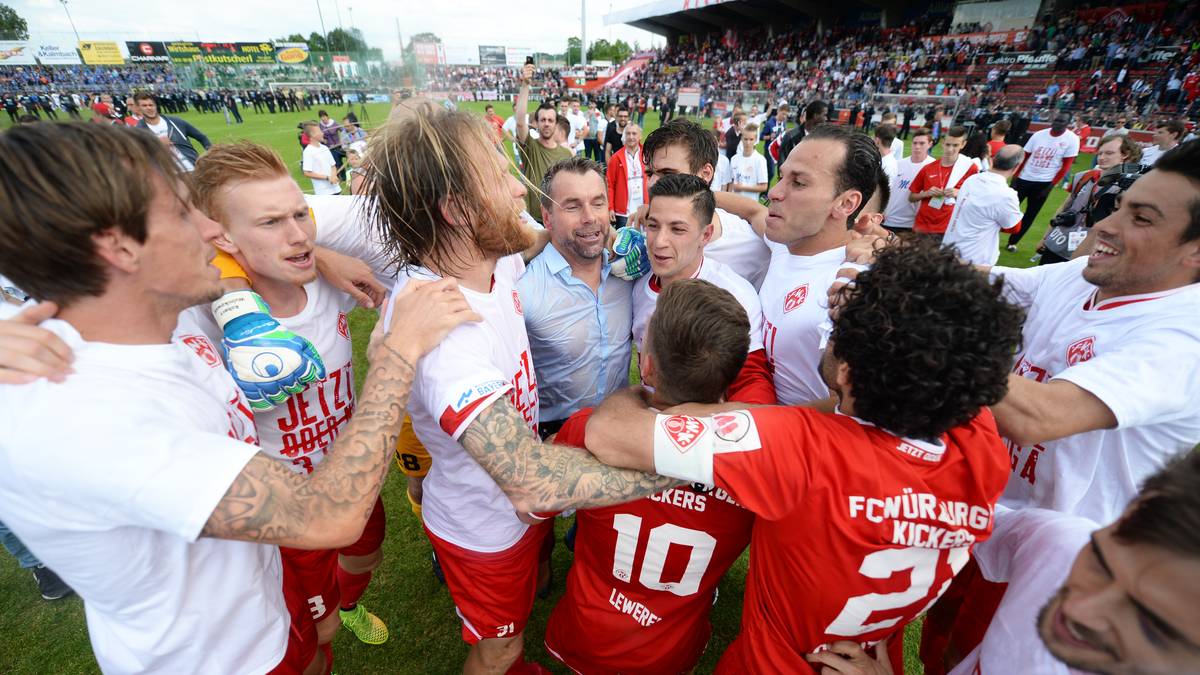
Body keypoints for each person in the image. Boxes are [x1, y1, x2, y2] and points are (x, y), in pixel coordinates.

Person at [0, 121, 475, 674]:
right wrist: (397, 352)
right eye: (182, 212)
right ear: (120, 247)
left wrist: (318, 255)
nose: (211, 231)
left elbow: (306, 225)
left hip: (259, 602)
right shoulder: (88, 419)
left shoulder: (152, 333)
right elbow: (326, 516)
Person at [585, 236, 1025, 673]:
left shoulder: (801, 449)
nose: (828, 327)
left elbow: (611, 433)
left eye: (835, 327)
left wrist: (645, 394)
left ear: (847, 374)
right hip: (871, 656)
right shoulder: (977, 439)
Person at [361, 101, 695, 675]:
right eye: (501, 178)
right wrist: (685, 467)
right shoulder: (446, 334)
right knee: (498, 650)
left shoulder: (496, 267)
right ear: (458, 211)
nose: (519, 190)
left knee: (517, 622)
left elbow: (535, 240)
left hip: (506, 518)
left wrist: (590, 233)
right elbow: (531, 482)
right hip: (484, 531)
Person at [923, 141, 1200, 673]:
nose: (1105, 226)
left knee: (981, 660)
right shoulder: (1083, 276)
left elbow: (1041, 416)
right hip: (992, 515)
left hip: (1061, 560)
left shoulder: (1185, 337)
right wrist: (886, 257)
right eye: (1118, 207)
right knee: (941, 643)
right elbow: (984, 283)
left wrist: (919, 334)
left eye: (1141, 218)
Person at [543, 280, 757, 673]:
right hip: (669, 650)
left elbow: (536, 503)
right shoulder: (757, 468)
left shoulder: (585, 429)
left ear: (646, 365)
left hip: (586, 634)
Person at [944, 451, 1200, 675]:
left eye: (1150, 623)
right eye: (1099, 561)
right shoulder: (1061, 543)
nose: (1077, 610)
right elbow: (954, 510)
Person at [715, 124, 881, 406]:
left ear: (846, 203)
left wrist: (752, 420)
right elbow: (752, 210)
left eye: (799, 183)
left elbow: (847, 406)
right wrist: (690, 196)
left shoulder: (851, 283)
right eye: (781, 177)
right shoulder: (784, 242)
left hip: (785, 430)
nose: (774, 192)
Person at [635, 173, 774, 404]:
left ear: (706, 235)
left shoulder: (733, 294)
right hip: (644, 419)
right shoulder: (637, 285)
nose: (659, 241)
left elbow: (752, 386)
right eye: (653, 226)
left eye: (677, 229)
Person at [519, 157, 633, 439]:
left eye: (598, 203)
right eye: (572, 206)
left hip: (621, 429)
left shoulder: (630, 274)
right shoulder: (525, 291)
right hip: (554, 438)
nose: (590, 217)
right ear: (547, 217)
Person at [641, 120, 770, 288]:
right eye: (650, 174)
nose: (651, 184)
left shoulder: (751, 247)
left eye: (668, 173)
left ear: (705, 173)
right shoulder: (641, 230)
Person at [1039, 134, 1142, 265]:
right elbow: (1064, 207)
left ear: (1125, 155)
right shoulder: (1083, 176)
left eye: (1109, 153)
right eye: (1100, 153)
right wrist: (1045, 237)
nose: (1102, 157)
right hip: (1057, 242)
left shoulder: (1130, 187)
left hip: (1093, 251)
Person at [1006, 113, 1080, 251]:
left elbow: (1066, 166)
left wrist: (1050, 186)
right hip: (1024, 178)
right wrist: (1015, 177)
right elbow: (1025, 156)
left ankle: (1012, 242)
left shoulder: (1072, 139)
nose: (1057, 123)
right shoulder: (1038, 135)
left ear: (1068, 123)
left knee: (1030, 214)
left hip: (1044, 183)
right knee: (1007, 208)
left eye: (1061, 121)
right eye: (1056, 120)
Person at [942, 145, 1025, 265]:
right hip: (974, 260)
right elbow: (1013, 227)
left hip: (948, 249)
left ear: (993, 159)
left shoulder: (972, 179)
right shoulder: (1007, 195)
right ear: (1016, 167)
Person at [515, 64, 573, 222]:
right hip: (534, 220)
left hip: (558, 219)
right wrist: (525, 85)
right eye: (543, 120)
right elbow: (520, 122)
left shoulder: (566, 154)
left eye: (550, 120)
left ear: (556, 123)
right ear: (536, 123)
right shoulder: (531, 147)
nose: (546, 124)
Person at [909, 126, 978, 240]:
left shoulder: (969, 168)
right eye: (948, 144)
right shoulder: (928, 168)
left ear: (963, 144)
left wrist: (959, 193)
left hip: (949, 228)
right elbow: (911, 197)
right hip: (922, 226)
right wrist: (926, 194)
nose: (950, 149)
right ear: (942, 143)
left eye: (955, 145)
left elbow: (976, 198)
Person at [133, 92, 211, 172]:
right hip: (167, 175)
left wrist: (209, 154)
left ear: (156, 106)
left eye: (151, 105)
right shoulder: (138, 131)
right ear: (138, 108)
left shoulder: (176, 121)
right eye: (144, 106)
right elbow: (139, 157)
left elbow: (202, 137)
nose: (149, 108)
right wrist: (157, 145)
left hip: (193, 169)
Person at [884, 127, 936, 234]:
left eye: (922, 143)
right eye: (915, 143)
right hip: (888, 219)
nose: (917, 147)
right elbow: (887, 188)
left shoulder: (934, 167)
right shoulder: (899, 164)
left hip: (910, 224)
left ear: (930, 144)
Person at [606, 123, 647, 228]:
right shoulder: (616, 158)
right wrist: (610, 208)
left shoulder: (647, 155)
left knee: (645, 238)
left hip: (644, 209)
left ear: (640, 136)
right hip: (623, 213)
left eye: (634, 133)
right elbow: (610, 185)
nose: (631, 137)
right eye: (628, 134)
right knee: (624, 238)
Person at [778, 100, 827, 164]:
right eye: (824, 115)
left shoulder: (823, 139)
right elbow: (782, 164)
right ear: (815, 116)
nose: (826, 119)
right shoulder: (791, 136)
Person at [728, 123, 768, 200]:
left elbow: (763, 187)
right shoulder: (734, 159)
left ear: (755, 140)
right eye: (745, 139)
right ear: (741, 138)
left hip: (750, 202)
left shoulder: (760, 160)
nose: (748, 143)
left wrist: (742, 187)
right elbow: (731, 182)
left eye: (751, 139)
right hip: (733, 201)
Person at [302, 121, 342, 196]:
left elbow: (333, 166)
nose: (322, 133)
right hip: (324, 193)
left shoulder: (324, 148)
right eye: (319, 131)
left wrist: (333, 175)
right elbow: (307, 173)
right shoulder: (308, 151)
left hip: (336, 188)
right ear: (312, 135)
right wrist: (327, 177)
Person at [761, 104, 789, 184]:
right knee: (771, 173)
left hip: (780, 151)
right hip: (769, 151)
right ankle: (764, 189)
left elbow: (783, 133)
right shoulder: (769, 123)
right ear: (778, 111)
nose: (784, 116)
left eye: (786, 115)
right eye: (783, 114)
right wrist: (769, 136)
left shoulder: (784, 123)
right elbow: (761, 136)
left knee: (780, 173)